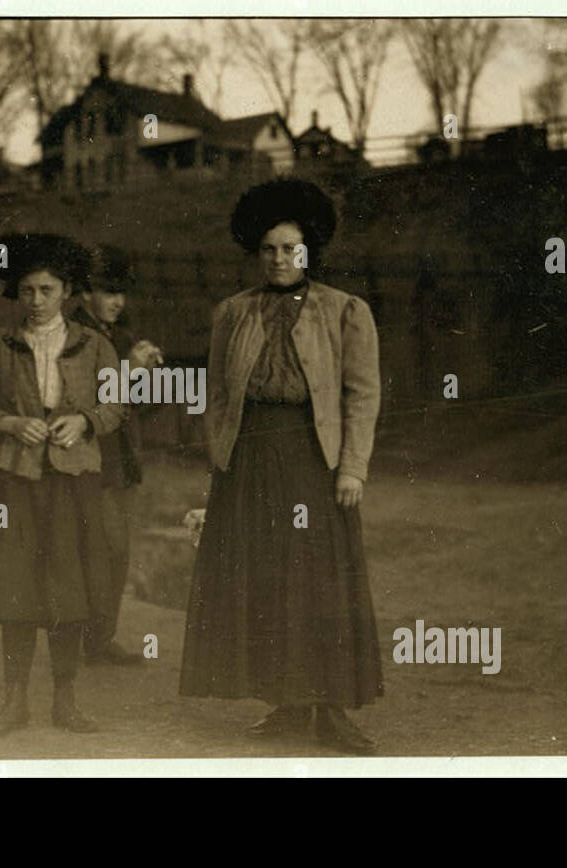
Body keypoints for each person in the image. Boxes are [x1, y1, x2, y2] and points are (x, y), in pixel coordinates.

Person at [179, 178, 385, 755]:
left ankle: (332, 709)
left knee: (320, 580)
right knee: (267, 580)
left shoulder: (345, 312)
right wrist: (219, 461)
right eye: (269, 248)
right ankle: (289, 703)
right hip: (247, 460)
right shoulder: (233, 313)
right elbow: (218, 395)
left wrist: (352, 469)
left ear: (310, 249)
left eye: (290, 248)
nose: (279, 259)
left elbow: (362, 396)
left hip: (312, 459)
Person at [0, 232, 127, 739]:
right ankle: (14, 702)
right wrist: (10, 424)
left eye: (47, 290)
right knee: (17, 588)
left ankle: (66, 700)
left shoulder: (94, 343)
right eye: (28, 291)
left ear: (67, 292)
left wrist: (85, 422)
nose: (36, 301)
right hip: (15, 480)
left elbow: (118, 404)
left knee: (68, 589)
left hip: (73, 479)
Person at [68, 243, 162, 665]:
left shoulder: (120, 335)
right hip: (85, 459)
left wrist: (151, 376)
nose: (117, 302)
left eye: (122, 293)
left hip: (120, 462)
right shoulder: (70, 335)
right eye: (108, 292)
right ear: (85, 292)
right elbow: (84, 399)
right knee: (94, 549)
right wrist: (130, 371)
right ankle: (86, 639)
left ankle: (99, 638)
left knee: (116, 551)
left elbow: (146, 407)